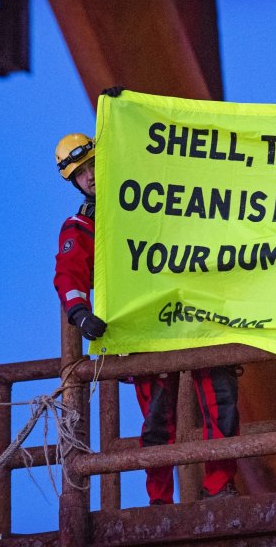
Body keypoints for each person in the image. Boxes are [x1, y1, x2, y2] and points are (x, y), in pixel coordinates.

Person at [53, 131, 240, 503]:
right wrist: (80, 314)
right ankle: (159, 503)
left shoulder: (159, 198)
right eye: (80, 173)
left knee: (221, 402)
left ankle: (220, 487)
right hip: (144, 334)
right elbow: (69, 274)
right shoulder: (81, 226)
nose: (89, 176)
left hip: (196, 318)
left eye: (92, 165)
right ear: (73, 182)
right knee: (157, 422)